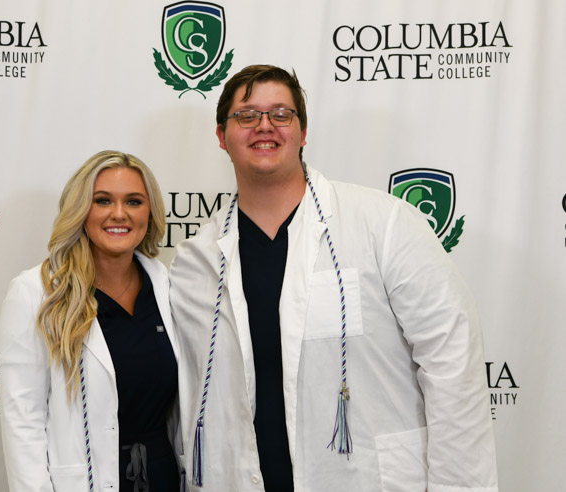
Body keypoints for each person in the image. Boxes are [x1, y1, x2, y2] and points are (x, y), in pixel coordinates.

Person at [169, 65, 498, 491]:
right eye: (246, 116)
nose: (264, 126)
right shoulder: (195, 259)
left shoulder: (383, 223)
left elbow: (452, 361)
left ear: (303, 133)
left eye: (281, 114)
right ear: (221, 137)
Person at [0, 150, 182, 492]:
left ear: (150, 212)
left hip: (162, 477)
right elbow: (23, 421)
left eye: (134, 201)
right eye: (103, 200)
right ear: (81, 210)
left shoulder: (167, 286)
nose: (119, 214)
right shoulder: (36, 292)